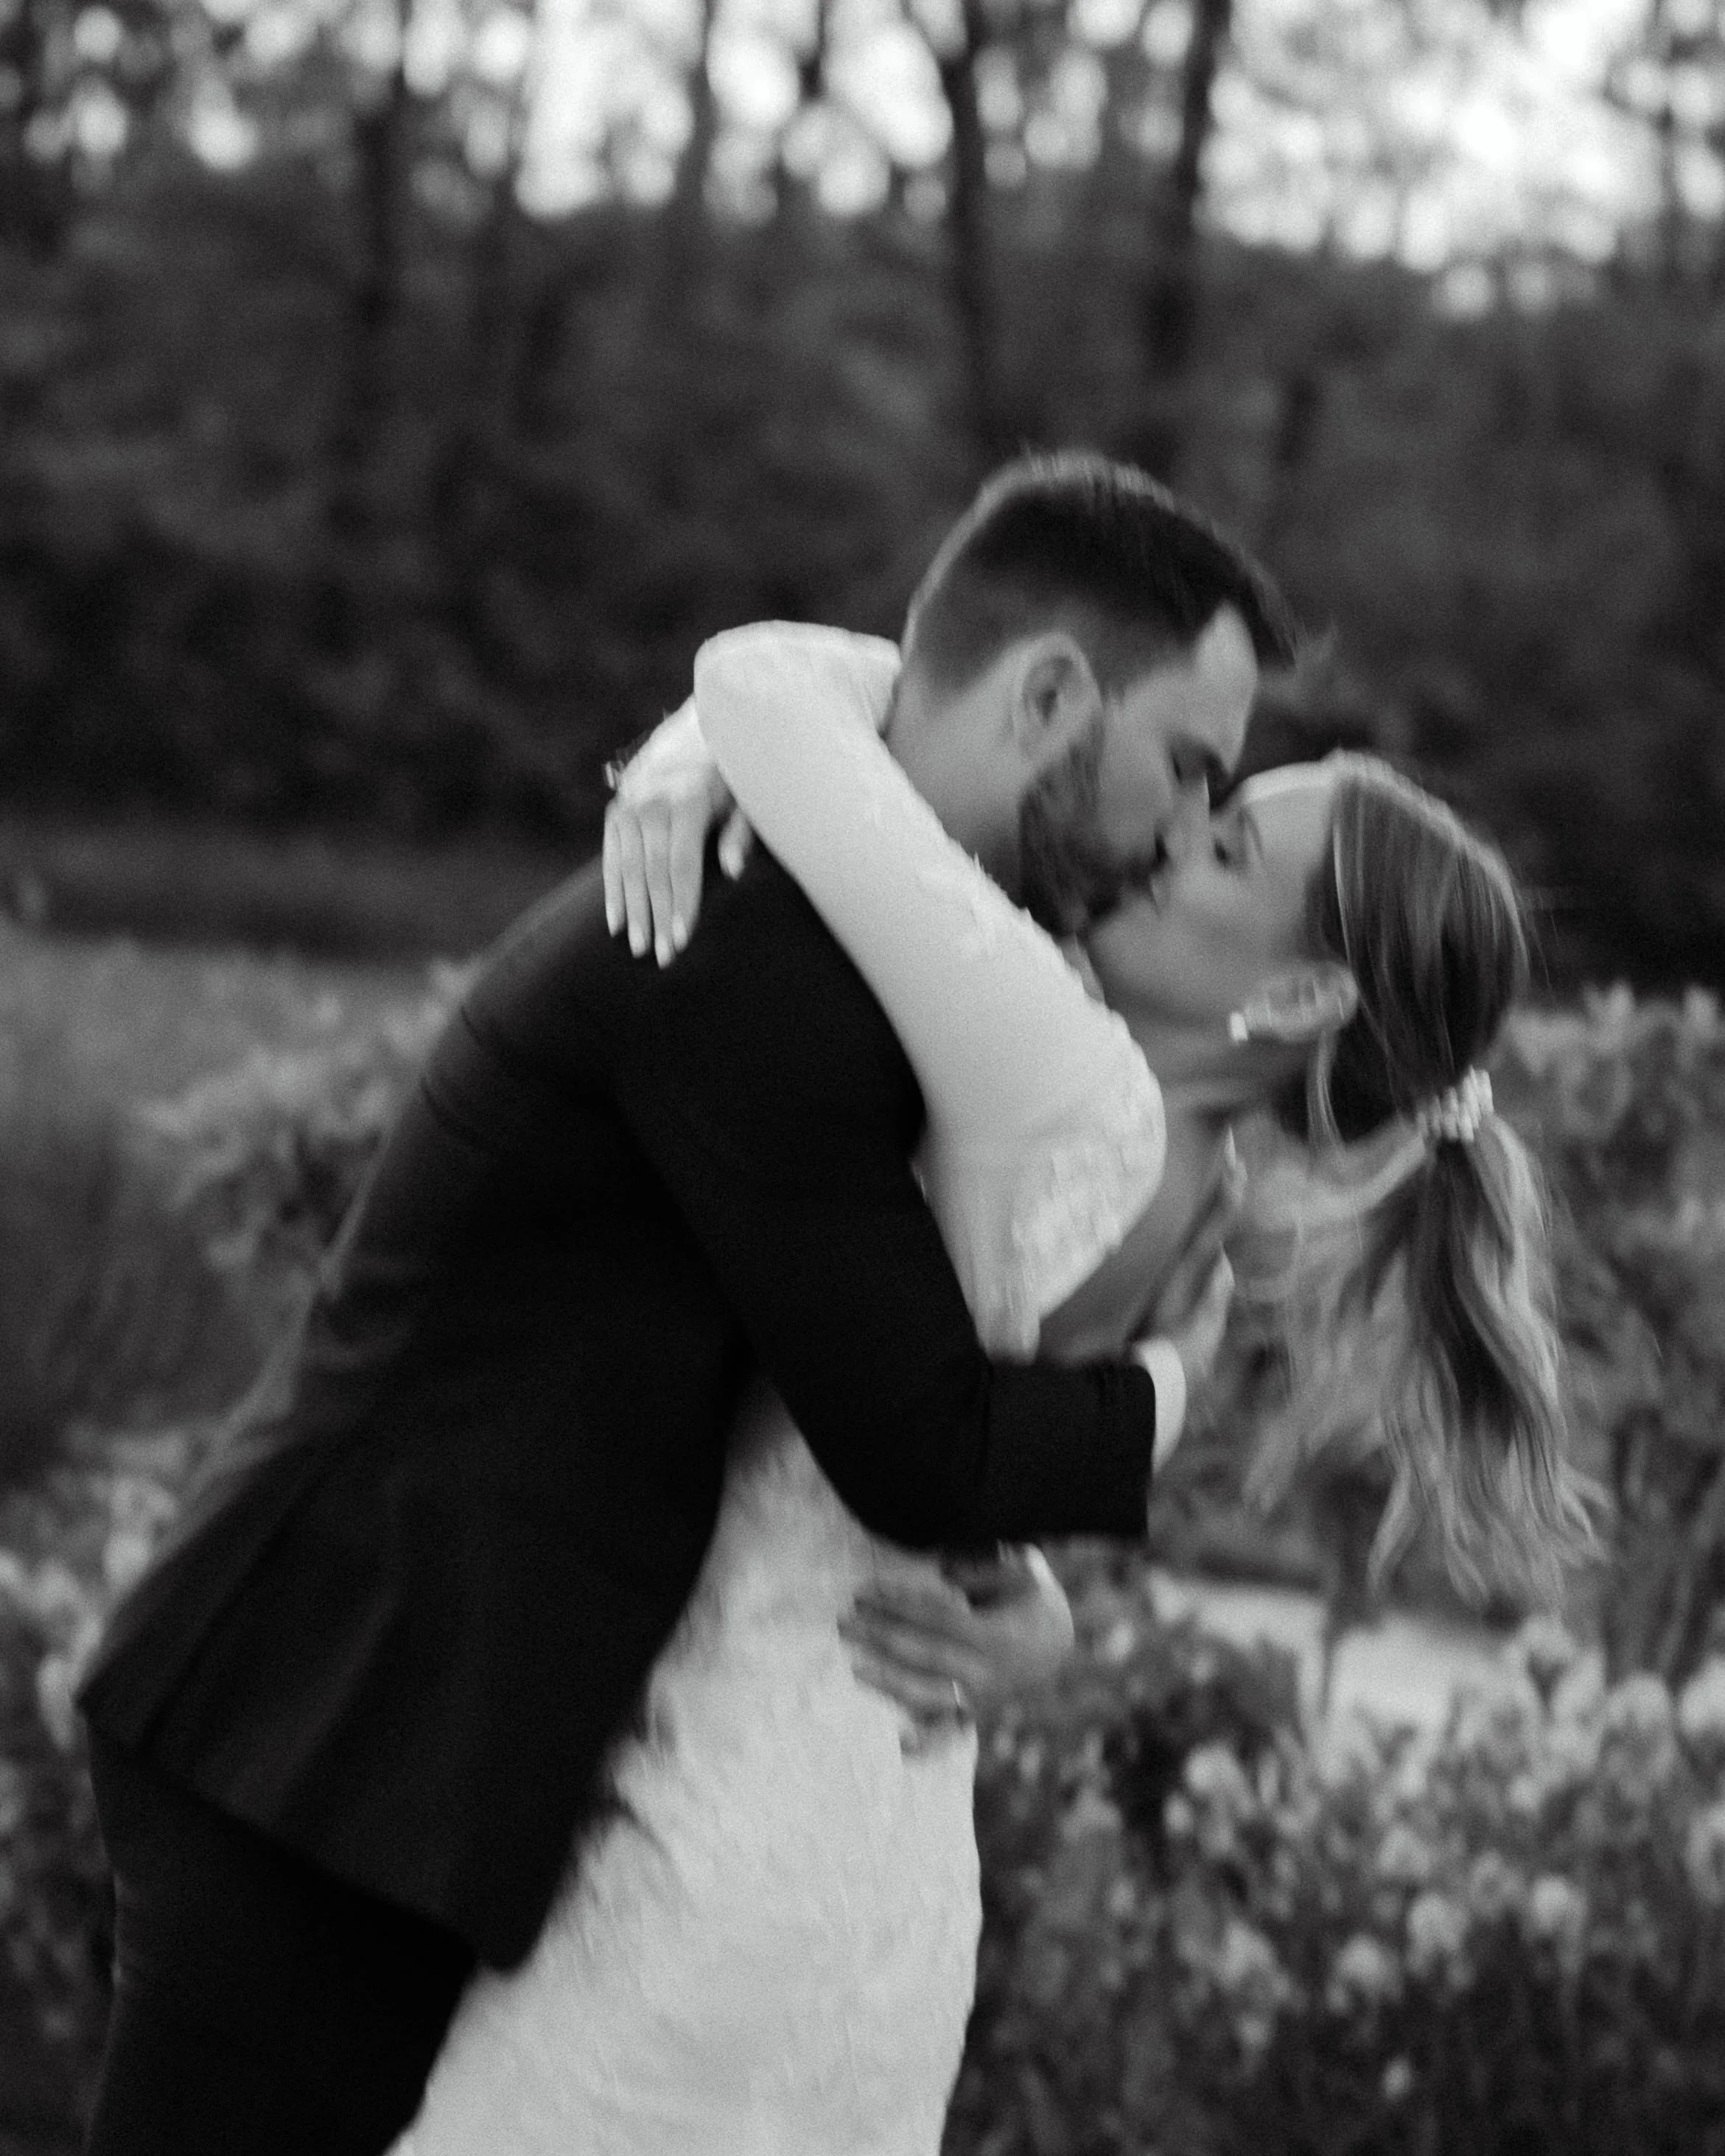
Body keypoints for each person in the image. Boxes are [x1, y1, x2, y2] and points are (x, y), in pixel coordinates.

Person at [75, 451, 1289, 2156]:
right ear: (1050, 694)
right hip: (329, 1732)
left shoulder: (840, 911)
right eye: (1189, 765)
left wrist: (1038, 1612)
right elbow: (918, 1444)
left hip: (400, 1735)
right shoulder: (751, 944)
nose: (1181, 825)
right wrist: (1175, 1391)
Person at [388, 589, 1595, 2150]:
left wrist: (707, 751)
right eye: (1208, 800)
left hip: (714, 1834)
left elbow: (794, 703)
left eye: (1226, 846)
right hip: (875, 1840)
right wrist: (1050, 1573)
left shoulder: (1053, 1070)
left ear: (1299, 998)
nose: (1171, 834)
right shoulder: (1195, 1194)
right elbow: (959, 1424)